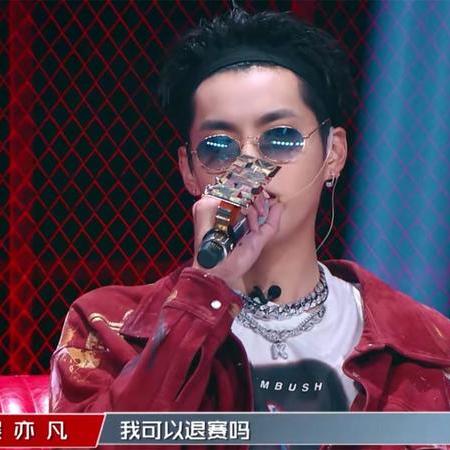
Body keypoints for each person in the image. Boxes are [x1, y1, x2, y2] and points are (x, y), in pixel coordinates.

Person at [50, 6, 450, 426]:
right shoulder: (110, 327)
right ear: (189, 170)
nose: (249, 168)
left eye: (280, 138)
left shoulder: (424, 344)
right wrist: (205, 292)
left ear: (333, 154)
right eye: (218, 146)